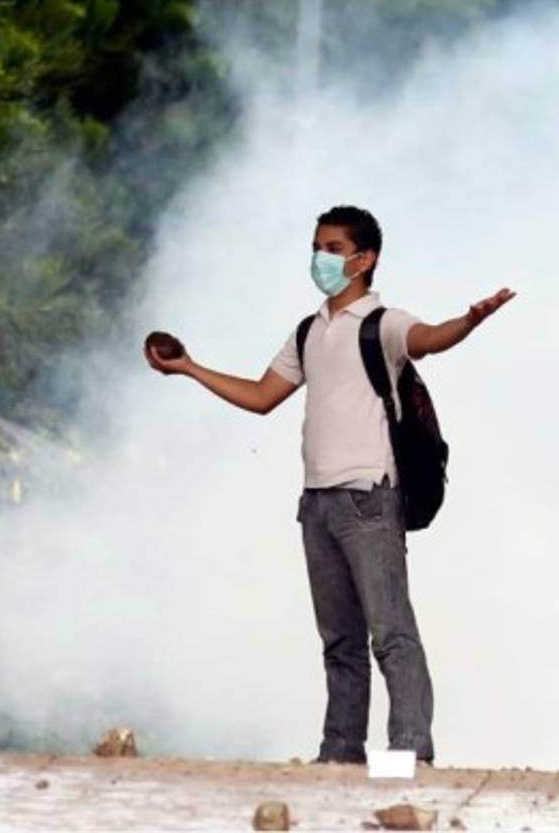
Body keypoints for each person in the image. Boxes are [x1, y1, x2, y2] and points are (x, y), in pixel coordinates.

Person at [144, 205, 515, 764]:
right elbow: (262, 396)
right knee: (339, 640)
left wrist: (470, 320)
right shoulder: (308, 331)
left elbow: (429, 338)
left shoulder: (381, 323)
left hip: (369, 496)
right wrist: (190, 367)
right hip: (316, 501)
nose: (321, 258)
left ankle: (408, 755)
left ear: (364, 259)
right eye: (317, 246)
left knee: (390, 633)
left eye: (334, 249)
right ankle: (340, 752)